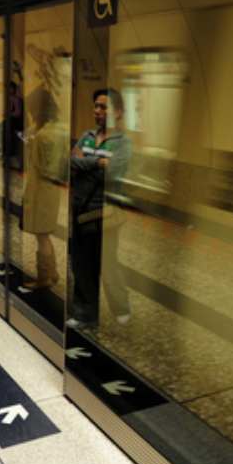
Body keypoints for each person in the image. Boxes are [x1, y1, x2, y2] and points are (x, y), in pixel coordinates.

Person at [67, 88, 132, 328]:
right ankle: (85, 314)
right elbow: (71, 162)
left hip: (105, 212)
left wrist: (86, 164)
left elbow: (113, 173)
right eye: (96, 106)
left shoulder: (123, 144)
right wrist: (97, 163)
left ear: (118, 112)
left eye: (103, 107)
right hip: (80, 209)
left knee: (107, 263)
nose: (97, 111)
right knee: (81, 264)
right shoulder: (86, 136)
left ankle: (121, 307)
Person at [21, 87, 68, 289]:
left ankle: (44, 277)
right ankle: (53, 272)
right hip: (52, 189)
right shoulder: (58, 130)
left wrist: (31, 144)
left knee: (41, 235)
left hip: (40, 189)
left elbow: (41, 164)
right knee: (45, 233)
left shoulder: (42, 135)